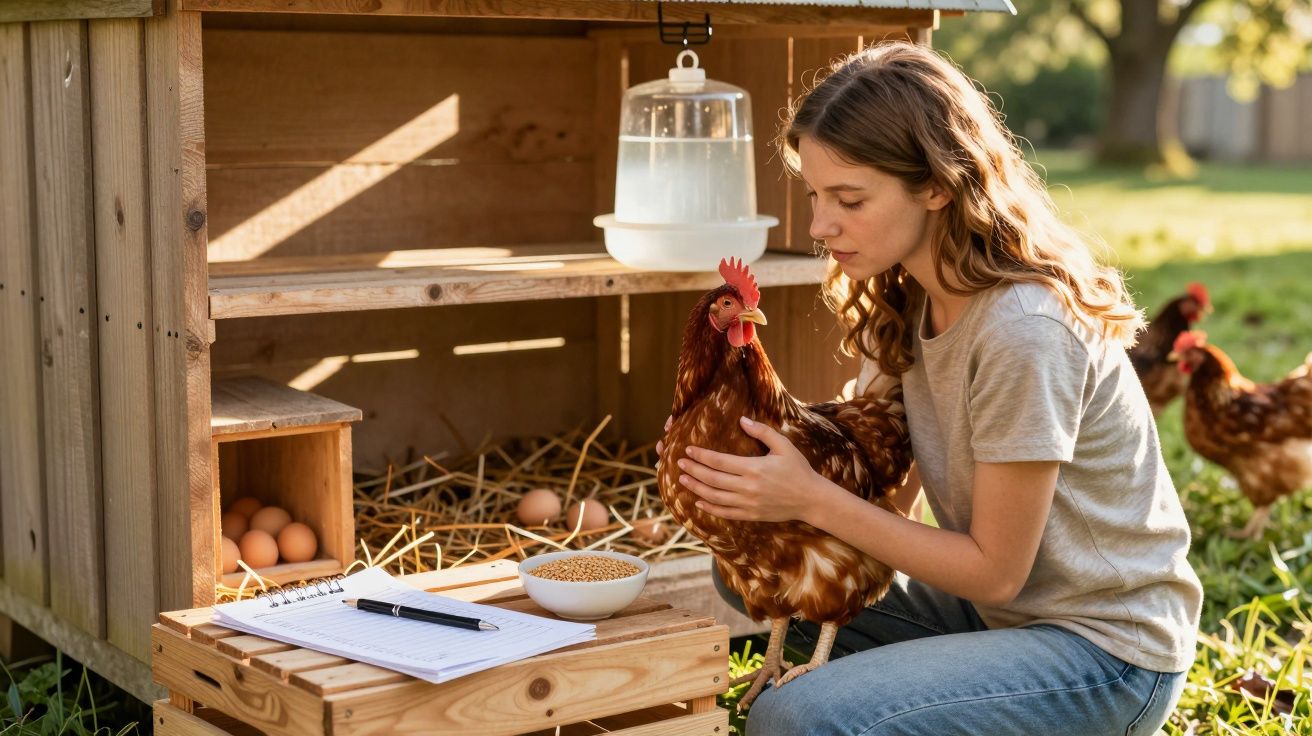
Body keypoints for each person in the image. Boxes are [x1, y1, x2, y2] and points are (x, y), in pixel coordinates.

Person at [660, 42, 1202, 735]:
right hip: (1000, 617)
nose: (821, 227)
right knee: (753, 572)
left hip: (1103, 651)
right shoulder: (910, 297)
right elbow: (887, 496)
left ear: (937, 186)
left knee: (797, 718)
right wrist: (791, 502)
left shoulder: (1023, 332)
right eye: (816, 196)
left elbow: (995, 572)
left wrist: (807, 497)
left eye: (849, 199)